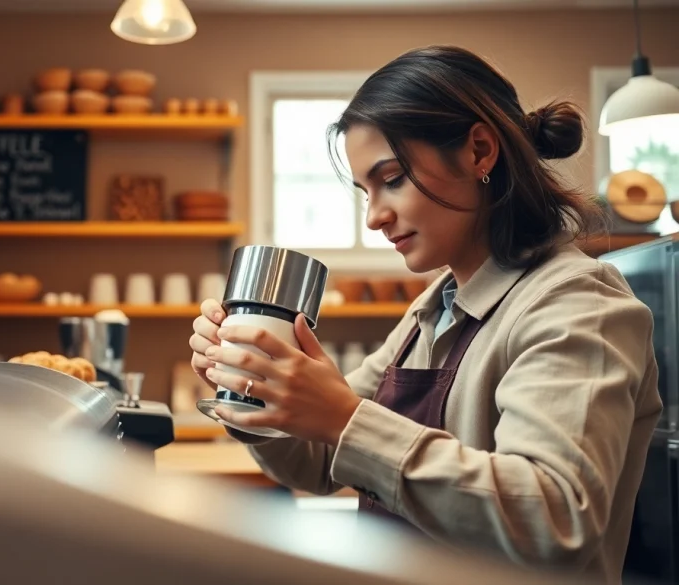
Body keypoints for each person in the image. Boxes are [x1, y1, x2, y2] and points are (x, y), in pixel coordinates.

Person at [189, 45, 662, 583]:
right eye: (365, 191)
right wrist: (251, 390)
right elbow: (320, 463)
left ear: (479, 151)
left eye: (391, 179)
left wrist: (345, 417)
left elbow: (555, 518)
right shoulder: (434, 307)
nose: (374, 218)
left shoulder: (577, 301)